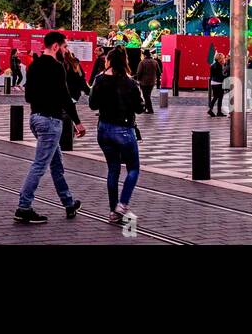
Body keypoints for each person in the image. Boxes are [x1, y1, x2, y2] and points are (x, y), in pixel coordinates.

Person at [14, 31, 84, 224]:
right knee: (40, 165)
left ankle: (68, 202)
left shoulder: (34, 65)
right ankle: (24, 207)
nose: (66, 50)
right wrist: (77, 121)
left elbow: (28, 96)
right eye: (64, 47)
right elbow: (65, 96)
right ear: (55, 46)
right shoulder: (57, 67)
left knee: (56, 165)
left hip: (35, 118)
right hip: (50, 121)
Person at [89, 47, 146, 224]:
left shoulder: (100, 79)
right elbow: (140, 107)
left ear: (109, 61)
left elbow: (92, 104)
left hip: (104, 129)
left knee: (113, 169)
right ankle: (122, 203)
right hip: (124, 129)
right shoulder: (130, 83)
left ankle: (113, 210)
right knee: (133, 168)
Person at [135, 49, 160, 114]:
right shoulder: (155, 62)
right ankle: (146, 108)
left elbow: (139, 72)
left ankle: (150, 110)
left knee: (146, 96)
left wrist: (138, 79)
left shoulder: (142, 62)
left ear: (144, 55)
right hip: (152, 82)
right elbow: (159, 72)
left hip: (144, 82)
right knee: (148, 95)